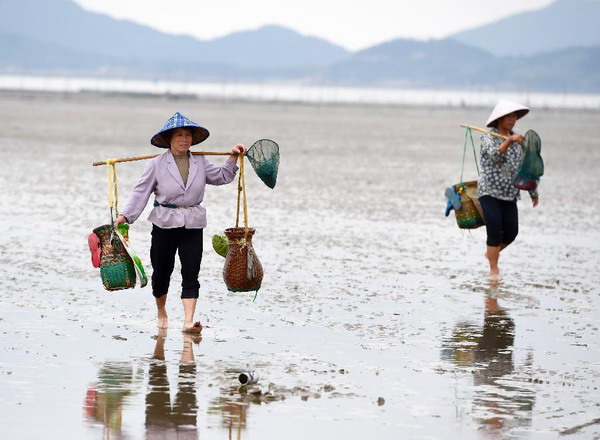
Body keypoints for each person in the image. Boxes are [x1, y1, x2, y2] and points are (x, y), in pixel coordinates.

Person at [114, 112, 245, 333]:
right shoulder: (156, 164)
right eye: (179, 135)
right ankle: (161, 311)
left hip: (193, 223)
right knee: (162, 271)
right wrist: (125, 216)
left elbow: (223, 176)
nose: (184, 139)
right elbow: (140, 193)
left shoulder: (200, 162)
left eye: (187, 135)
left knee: (191, 271)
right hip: (164, 223)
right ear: (169, 139)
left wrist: (233, 157)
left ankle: (188, 321)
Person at [478, 100, 539, 281]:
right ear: (499, 119)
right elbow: (496, 156)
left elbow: (525, 169)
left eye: (514, 117)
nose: (513, 120)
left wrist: (533, 192)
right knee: (494, 230)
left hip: (510, 192)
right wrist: (509, 140)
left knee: (511, 232)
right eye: (509, 116)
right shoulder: (488, 137)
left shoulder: (519, 142)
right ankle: (494, 268)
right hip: (489, 190)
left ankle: (491, 253)